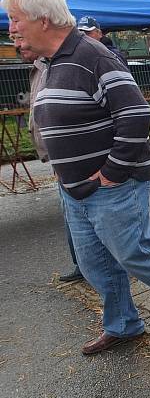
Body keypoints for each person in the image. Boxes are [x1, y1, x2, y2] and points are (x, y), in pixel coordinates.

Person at [2, 0, 150, 355]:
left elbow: (136, 115)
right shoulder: (49, 63)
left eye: (16, 20)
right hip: (73, 186)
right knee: (94, 262)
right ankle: (123, 325)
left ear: (45, 19)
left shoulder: (92, 55)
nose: (11, 29)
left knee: (133, 252)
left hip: (113, 184)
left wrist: (112, 173)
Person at [14, 38, 84, 283]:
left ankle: (95, 266)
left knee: (83, 216)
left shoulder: (60, 64)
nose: (17, 45)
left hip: (71, 157)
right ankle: (84, 265)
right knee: (72, 216)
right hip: (58, 158)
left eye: (21, 38)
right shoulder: (39, 66)